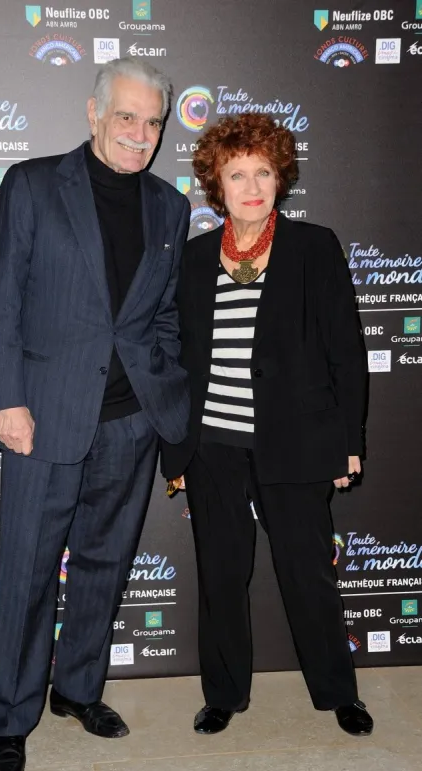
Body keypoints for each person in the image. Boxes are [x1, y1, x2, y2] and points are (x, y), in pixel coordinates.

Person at [0, 57, 190, 771]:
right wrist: (6, 401)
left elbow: (161, 319)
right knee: (27, 576)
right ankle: (9, 720)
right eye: (126, 117)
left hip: (130, 425)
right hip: (42, 419)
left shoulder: (169, 205)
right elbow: (2, 299)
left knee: (104, 568)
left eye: (153, 121)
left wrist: (167, 411)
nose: (139, 133)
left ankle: (77, 689)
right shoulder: (32, 185)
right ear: (93, 113)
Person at [161, 112, 373, 737]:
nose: (251, 186)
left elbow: (347, 352)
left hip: (297, 444)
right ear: (215, 184)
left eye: (263, 172)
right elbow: (177, 359)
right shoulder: (195, 259)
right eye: (237, 174)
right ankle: (223, 694)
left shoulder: (315, 247)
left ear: (280, 178)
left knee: (307, 575)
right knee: (221, 577)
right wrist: (177, 450)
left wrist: (348, 444)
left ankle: (338, 694)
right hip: (214, 448)